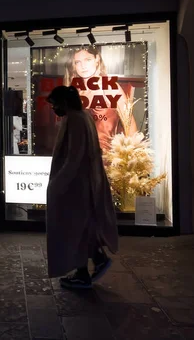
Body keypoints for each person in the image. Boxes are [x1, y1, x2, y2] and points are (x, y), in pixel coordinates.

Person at [46, 86, 119, 290]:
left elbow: (74, 156)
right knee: (81, 226)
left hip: (75, 184)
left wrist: (58, 184)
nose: (54, 109)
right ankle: (94, 260)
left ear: (64, 102)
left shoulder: (75, 120)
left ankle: (82, 272)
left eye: (55, 104)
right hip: (81, 182)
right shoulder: (83, 116)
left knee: (74, 227)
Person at [65, 46, 137, 153]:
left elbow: (130, 125)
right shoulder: (76, 91)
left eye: (88, 60)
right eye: (78, 62)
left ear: (97, 59)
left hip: (105, 157)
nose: (83, 66)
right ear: (74, 66)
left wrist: (129, 160)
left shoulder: (108, 87)